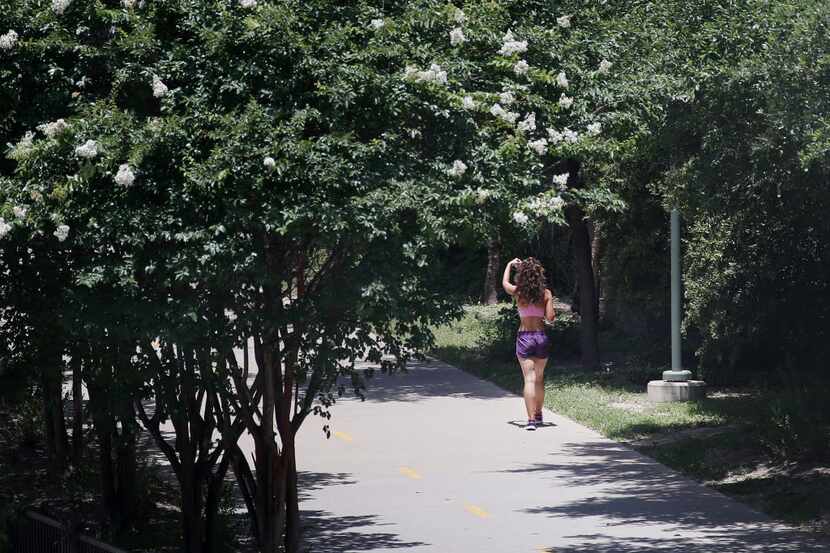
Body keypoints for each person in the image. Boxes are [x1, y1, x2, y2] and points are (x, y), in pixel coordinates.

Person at [502, 257, 555, 430]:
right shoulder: (546, 293)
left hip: (524, 337)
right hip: (541, 337)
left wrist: (510, 265)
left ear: (523, 275)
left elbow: (504, 283)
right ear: (540, 274)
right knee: (539, 378)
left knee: (529, 379)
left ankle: (531, 420)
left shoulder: (518, 292)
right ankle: (539, 415)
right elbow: (550, 318)